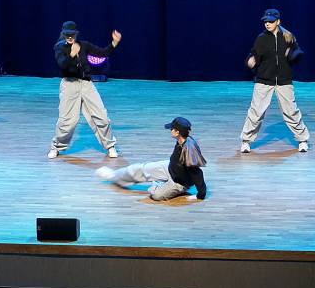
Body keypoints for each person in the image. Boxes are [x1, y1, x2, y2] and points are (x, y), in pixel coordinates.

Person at [240, 8, 310, 153]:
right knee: (256, 112)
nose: (267, 24)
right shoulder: (261, 38)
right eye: (265, 21)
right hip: (264, 80)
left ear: (278, 21)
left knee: (291, 112)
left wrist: (291, 55)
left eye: (271, 21)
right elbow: (254, 55)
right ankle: (246, 141)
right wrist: (250, 61)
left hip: (284, 80)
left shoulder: (288, 37)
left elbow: (297, 53)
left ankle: (302, 140)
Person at [49, 21, 121, 159]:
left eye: (72, 34)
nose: (70, 37)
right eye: (67, 35)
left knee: (101, 116)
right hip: (69, 85)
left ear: (76, 34)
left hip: (86, 84)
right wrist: (71, 54)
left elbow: (103, 53)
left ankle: (110, 146)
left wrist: (114, 43)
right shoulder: (59, 47)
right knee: (67, 121)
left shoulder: (84, 45)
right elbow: (62, 65)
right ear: (64, 34)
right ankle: (56, 146)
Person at [96, 117, 207, 201]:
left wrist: (200, 195)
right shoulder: (182, 140)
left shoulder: (189, 149)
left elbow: (197, 172)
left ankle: (159, 183)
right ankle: (114, 175)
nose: (170, 130)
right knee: (139, 169)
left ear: (177, 132)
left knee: (156, 196)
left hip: (179, 182)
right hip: (170, 168)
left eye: (172, 129)